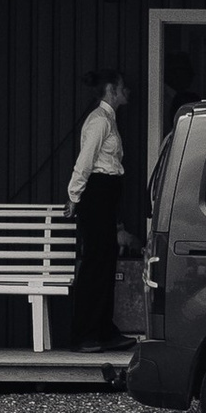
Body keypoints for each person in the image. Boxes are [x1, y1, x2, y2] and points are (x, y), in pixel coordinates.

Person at [64, 71, 131, 348]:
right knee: (95, 263)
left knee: (106, 261)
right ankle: (85, 334)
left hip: (107, 192)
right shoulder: (99, 120)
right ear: (111, 90)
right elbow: (86, 160)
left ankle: (104, 330)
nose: (127, 91)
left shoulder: (109, 119)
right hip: (96, 193)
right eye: (123, 87)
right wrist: (74, 195)